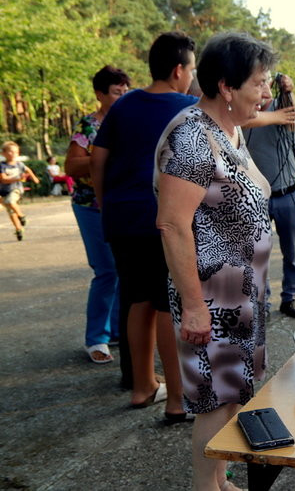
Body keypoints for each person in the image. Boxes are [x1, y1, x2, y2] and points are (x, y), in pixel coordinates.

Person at [156, 31, 275, 491]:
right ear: (226, 86)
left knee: (232, 398)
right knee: (214, 401)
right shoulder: (190, 137)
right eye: (259, 83)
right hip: (211, 298)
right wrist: (193, 305)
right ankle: (206, 489)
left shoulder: (229, 130)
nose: (266, 93)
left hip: (241, 294)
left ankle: (221, 482)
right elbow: (171, 224)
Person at [91, 31, 197, 417]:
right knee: (169, 304)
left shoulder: (124, 104)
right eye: (191, 69)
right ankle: (175, 400)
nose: (191, 76)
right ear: (177, 70)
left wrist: (105, 203)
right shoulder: (188, 106)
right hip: (158, 217)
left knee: (137, 300)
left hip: (121, 215)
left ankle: (141, 387)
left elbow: (98, 158)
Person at [65, 65, 130, 365]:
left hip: (122, 205)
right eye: (116, 92)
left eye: (125, 90)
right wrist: (103, 155)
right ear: (100, 94)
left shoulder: (130, 122)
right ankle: (96, 338)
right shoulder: (89, 126)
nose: (123, 96)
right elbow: (72, 167)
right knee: (106, 271)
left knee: (123, 270)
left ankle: (118, 330)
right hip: (91, 206)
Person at [242, 73, 295, 319]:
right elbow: (244, 120)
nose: (264, 89)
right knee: (259, 254)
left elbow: (291, 109)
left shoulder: (282, 108)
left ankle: (290, 298)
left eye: (267, 83)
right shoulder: (244, 113)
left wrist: (289, 88)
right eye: (258, 84)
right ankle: (262, 303)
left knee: (293, 252)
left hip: (288, 191)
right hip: (256, 196)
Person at [1, 141, 40, 241]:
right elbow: (3, 179)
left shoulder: (20, 164)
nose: (13, 154)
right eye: (10, 152)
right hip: (4, 191)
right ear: (3, 153)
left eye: (16, 152)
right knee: (11, 211)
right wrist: (18, 178)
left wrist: (34, 178)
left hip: (16, 189)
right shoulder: (2, 166)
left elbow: (28, 170)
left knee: (10, 201)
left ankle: (22, 216)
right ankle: (18, 229)